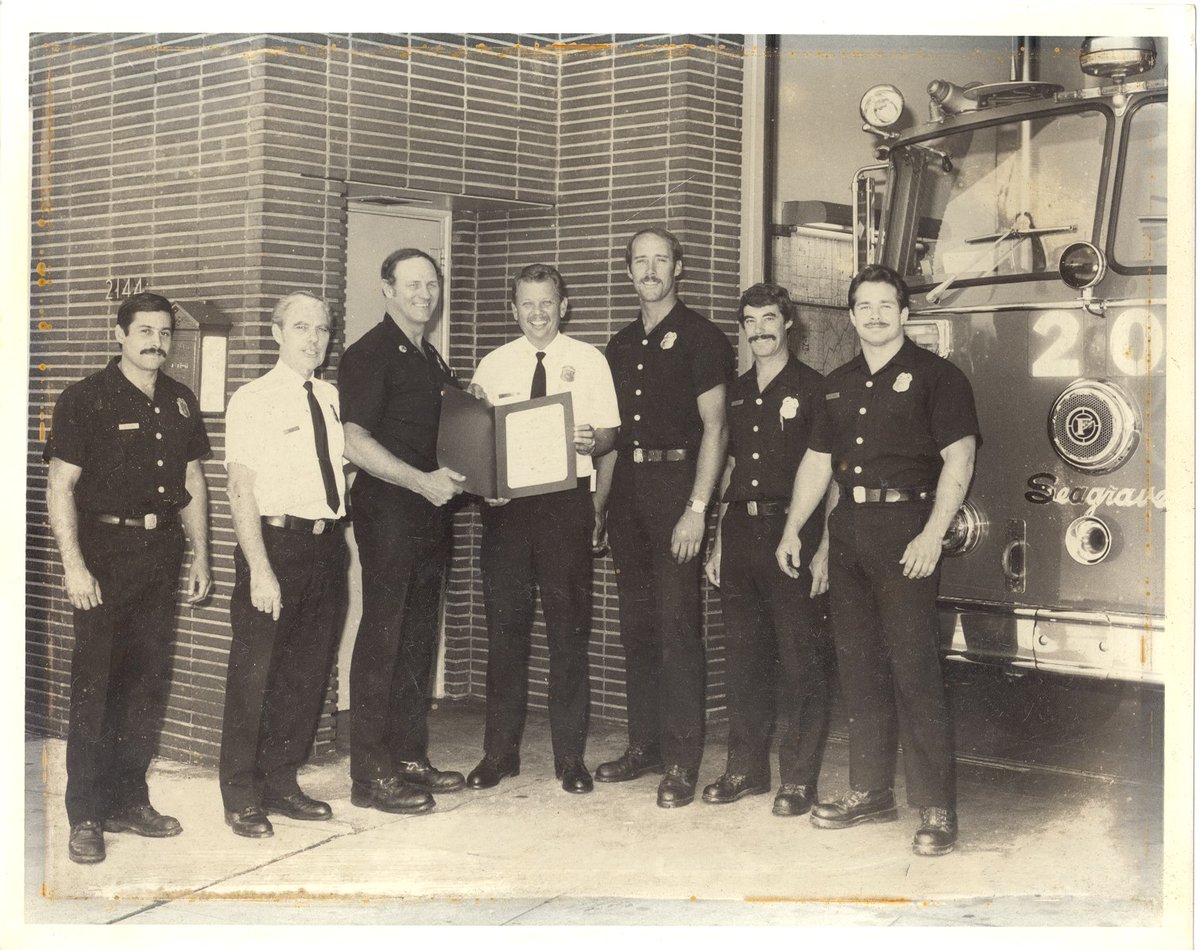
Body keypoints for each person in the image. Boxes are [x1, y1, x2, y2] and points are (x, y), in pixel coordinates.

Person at [774, 264, 979, 856]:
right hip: (850, 534)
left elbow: (958, 461)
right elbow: (817, 464)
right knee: (859, 671)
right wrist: (794, 530)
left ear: (906, 313)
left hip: (906, 531)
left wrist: (932, 535)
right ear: (852, 315)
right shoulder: (834, 385)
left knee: (916, 674)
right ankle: (870, 793)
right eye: (863, 306)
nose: (875, 315)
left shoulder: (939, 378)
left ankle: (937, 808)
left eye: (886, 305)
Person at [44, 292, 212, 865]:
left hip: (160, 553)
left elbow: (192, 480)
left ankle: (129, 800)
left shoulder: (180, 402)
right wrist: (74, 566)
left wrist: (203, 556)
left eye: (164, 333)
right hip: (103, 554)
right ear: (119, 334)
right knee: (96, 688)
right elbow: (60, 487)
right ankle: (86, 815)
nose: (155, 342)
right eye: (144, 330)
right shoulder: (85, 399)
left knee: (144, 685)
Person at [465, 264, 621, 795]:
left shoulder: (589, 361)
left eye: (547, 303)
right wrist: (484, 485)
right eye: (527, 304)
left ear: (564, 306)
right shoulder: (493, 363)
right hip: (507, 512)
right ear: (514, 310)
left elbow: (609, 437)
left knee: (568, 633)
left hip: (565, 507)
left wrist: (590, 442)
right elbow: (476, 442)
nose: (537, 313)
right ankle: (499, 754)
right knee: (505, 634)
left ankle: (570, 759)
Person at [594, 227, 733, 808]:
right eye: (639, 262)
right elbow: (611, 439)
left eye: (660, 260)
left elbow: (717, 427)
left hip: (678, 490)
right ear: (628, 271)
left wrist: (697, 510)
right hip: (628, 491)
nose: (650, 270)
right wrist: (599, 507)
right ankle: (644, 745)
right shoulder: (619, 345)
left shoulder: (704, 338)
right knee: (637, 627)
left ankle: (681, 761)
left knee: (678, 629)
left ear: (679, 266)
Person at [339, 248, 466, 815]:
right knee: (385, 634)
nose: (424, 294)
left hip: (430, 512)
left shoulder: (430, 358)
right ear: (386, 289)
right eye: (412, 284)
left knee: (418, 636)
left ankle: (410, 757)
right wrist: (419, 482)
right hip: (391, 510)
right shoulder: (369, 354)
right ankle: (370, 775)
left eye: (431, 284)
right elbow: (355, 441)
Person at [218, 292, 348, 838]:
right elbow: (240, 490)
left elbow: (335, 471)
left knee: (306, 673)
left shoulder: (331, 395)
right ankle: (241, 795)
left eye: (321, 329)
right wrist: (261, 569)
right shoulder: (253, 399)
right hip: (275, 547)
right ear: (277, 333)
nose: (313, 339)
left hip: (324, 547)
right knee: (256, 676)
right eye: (301, 327)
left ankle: (281, 781)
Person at [702, 283, 832, 817]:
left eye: (770, 319)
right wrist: (716, 540)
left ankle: (799, 779)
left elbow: (835, 472)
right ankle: (746, 769)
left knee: (801, 661)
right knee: (744, 660)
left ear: (789, 324)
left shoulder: (817, 388)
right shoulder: (734, 392)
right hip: (740, 535)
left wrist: (824, 544)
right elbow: (730, 468)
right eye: (750, 321)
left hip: (793, 536)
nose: (760, 330)